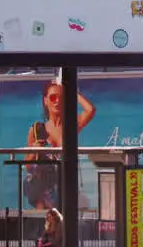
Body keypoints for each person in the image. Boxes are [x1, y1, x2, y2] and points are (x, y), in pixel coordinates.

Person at [24, 75, 96, 210]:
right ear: (45, 101)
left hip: (65, 184)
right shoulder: (37, 129)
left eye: (61, 97)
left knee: (66, 225)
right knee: (47, 227)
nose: (57, 101)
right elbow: (28, 167)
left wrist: (71, 90)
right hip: (44, 190)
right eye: (52, 97)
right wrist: (34, 151)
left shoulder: (71, 125)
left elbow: (90, 110)